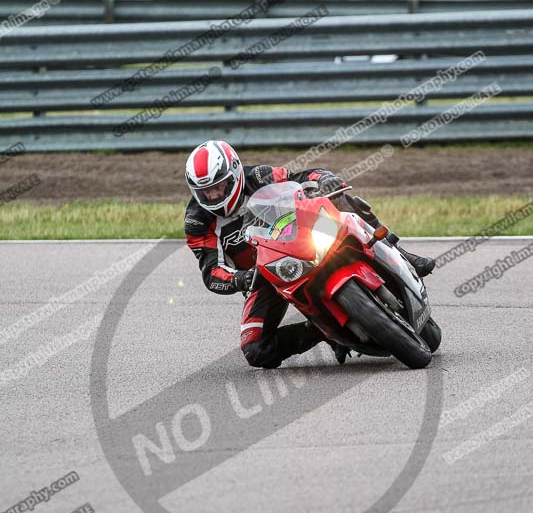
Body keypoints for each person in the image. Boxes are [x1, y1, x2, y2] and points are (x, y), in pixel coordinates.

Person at [184, 140, 434, 370]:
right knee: (255, 350)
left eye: (218, 186)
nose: (214, 195)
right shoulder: (197, 221)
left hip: (301, 237)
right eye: (206, 191)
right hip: (264, 274)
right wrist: (241, 279)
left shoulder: (258, 176)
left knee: (340, 199)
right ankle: (322, 329)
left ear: (235, 174)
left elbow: (300, 176)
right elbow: (212, 272)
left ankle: (402, 254)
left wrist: (326, 179)